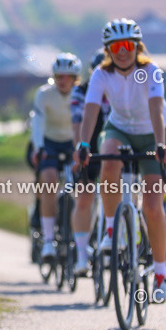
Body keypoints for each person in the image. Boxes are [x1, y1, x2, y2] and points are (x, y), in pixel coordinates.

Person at [76, 19, 166, 303]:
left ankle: (160, 272)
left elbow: (156, 106)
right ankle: (110, 228)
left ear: (137, 47)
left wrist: (160, 142)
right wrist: (83, 144)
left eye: (127, 45)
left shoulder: (151, 71)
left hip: (152, 133)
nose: (122, 51)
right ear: (108, 50)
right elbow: (91, 108)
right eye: (116, 47)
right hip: (119, 128)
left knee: (153, 207)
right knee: (108, 160)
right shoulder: (101, 74)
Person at [30, 53, 83, 262]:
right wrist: (38, 147)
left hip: (72, 144)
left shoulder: (81, 95)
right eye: (59, 76)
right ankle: (49, 241)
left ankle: (81, 239)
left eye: (68, 77)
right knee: (49, 181)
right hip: (49, 142)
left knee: (81, 188)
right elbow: (38, 122)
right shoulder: (44, 94)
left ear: (75, 78)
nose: (63, 81)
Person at [69, 50, 111, 275]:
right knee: (84, 198)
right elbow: (77, 123)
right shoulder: (81, 91)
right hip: (90, 148)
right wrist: (79, 149)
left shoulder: (120, 89)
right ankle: (82, 256)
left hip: (114, 149)